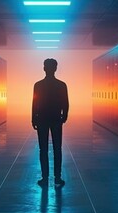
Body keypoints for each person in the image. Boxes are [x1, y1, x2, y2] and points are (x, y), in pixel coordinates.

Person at [32, 58, 69, 186]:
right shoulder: (61, 85)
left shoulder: (38, 85)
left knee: (43, 149)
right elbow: (66, 102)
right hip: (55, 119)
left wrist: (33, 118)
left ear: (44, 68)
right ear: (56, 68)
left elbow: (34, 103)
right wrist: (64, 116)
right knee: (57, 148)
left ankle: (45, 178)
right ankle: (57, 177)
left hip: (42, 118)